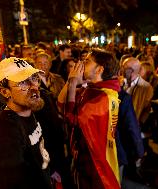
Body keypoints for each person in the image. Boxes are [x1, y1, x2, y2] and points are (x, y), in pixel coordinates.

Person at [57, 49, 121, 189]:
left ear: (99, 69)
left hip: (95, 165)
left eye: (87, 61)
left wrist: (74, 84)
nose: (81, 64)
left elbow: (73, 120)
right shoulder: (91, 89)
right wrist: (71, 81)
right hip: (83, 160)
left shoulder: (106, 97)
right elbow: (61, 104)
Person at [0, 57, 52, 189]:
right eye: (23, 83)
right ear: (5, 91)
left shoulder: (29, 109)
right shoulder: (5, 134)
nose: (34, 87)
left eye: (34, 78)